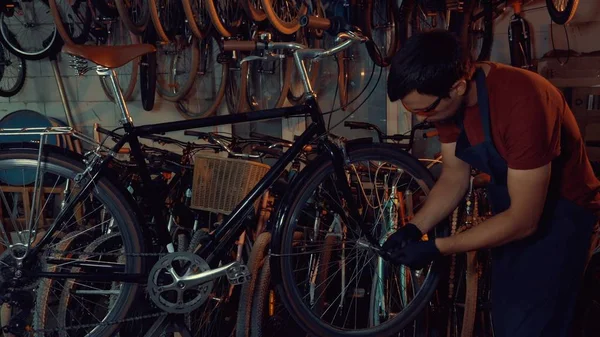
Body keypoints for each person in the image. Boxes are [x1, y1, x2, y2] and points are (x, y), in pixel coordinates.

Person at [382, 29, 600, 337]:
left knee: (533, 326)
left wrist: (438, 247)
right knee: (508, 317)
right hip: (509, 212)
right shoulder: (446, 101)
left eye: (425, 110)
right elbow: (455, 177)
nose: (424, 119)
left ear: (457, 87)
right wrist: (415, 228)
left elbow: (524, 220)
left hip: (561, 219)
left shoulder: (524, 103)